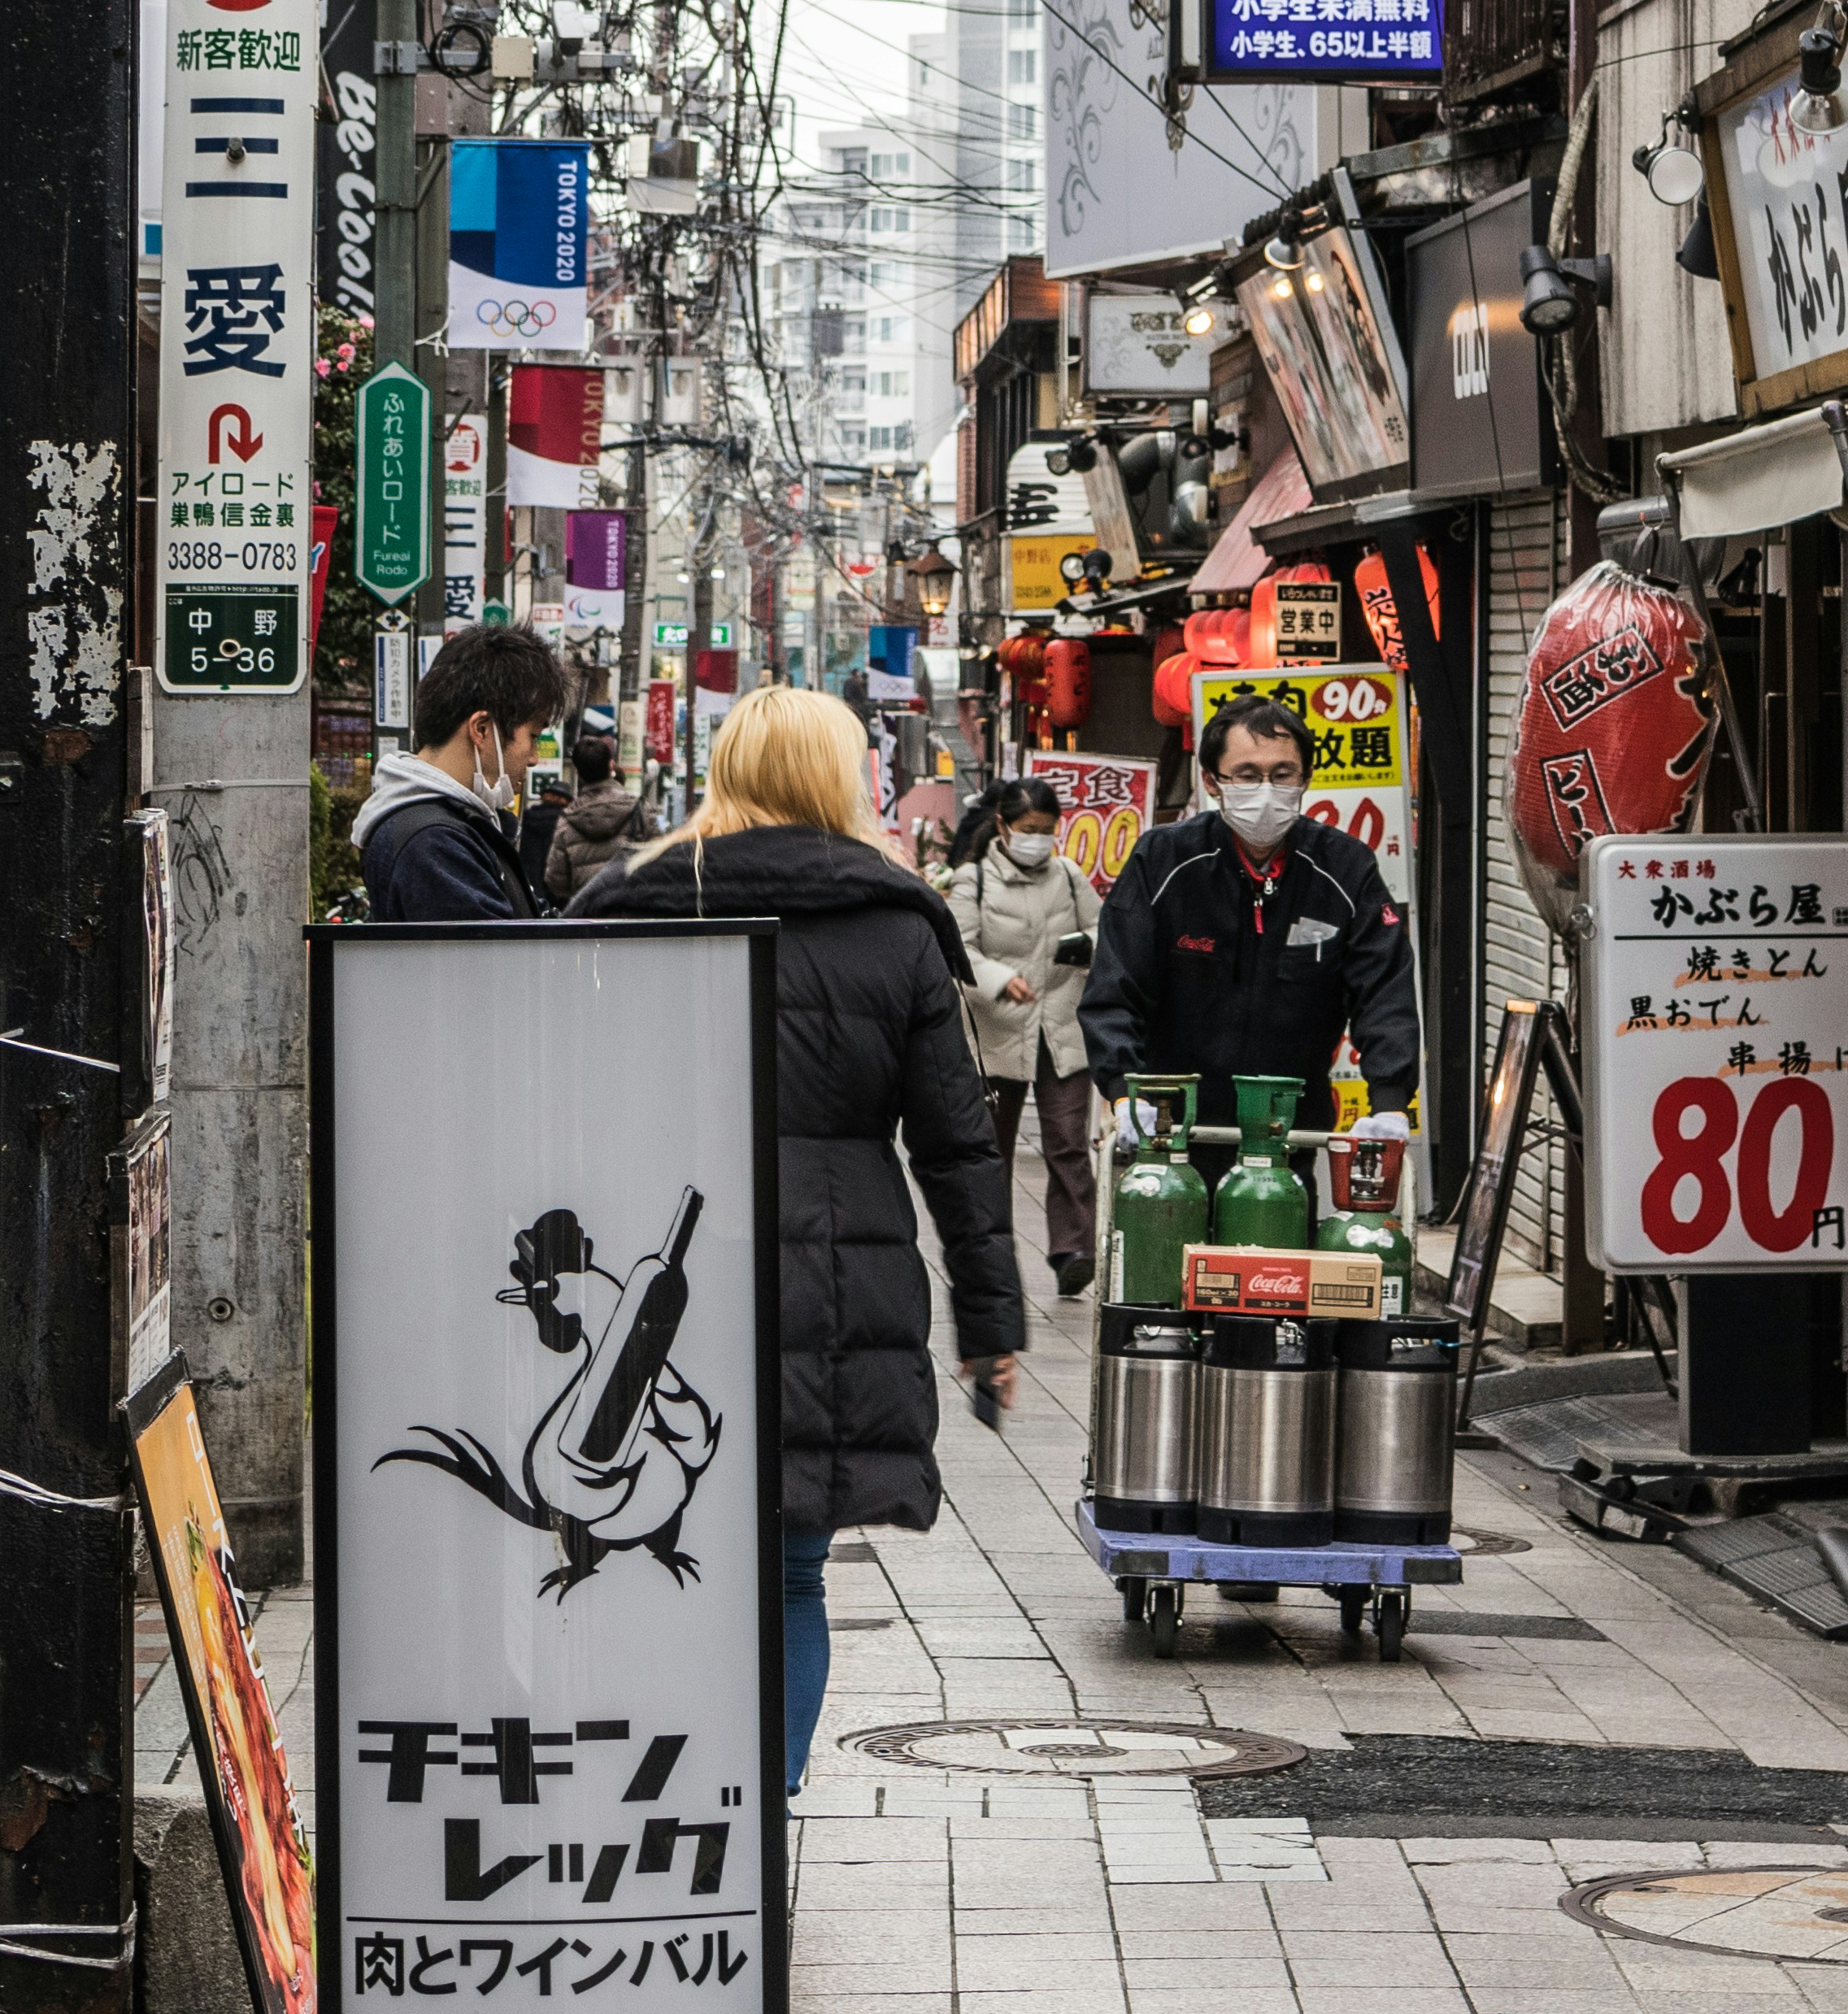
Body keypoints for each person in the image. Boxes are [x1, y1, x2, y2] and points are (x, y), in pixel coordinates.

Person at [565, 685, 1023, 1791]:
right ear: (837, 780)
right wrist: (990, 1324)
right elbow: (958, 1148)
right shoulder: (899, 924)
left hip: (661, 1282)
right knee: (792, 1570)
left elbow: (552, 1095)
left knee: (654, 1554)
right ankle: (762, 1804)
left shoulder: (626, 905)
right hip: (832, 1282)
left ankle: (669, 1800)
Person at [1081, 689, 1421, 1142]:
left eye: (1283, 774)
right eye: (1246, 775)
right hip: (1169, 1129)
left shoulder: (1345, 868)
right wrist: (1125, 1095)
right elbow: (1114, 988)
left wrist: (1391, 1104)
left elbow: (1384, 991)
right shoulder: (1163, 862)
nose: (1266, 791)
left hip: (1290, 1130)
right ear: (1211, 780)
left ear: (1306, 778)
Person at [940, 777, 1108, 1297]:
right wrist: (997, 979)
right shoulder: (974, 881)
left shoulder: (1068, 875)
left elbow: (1106, 930)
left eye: (1046, 831)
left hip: (1060, 1025)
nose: (1038, 839)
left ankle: (1073, 1251)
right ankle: (991, 1255)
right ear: (1003, 827)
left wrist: (1086, 947)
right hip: (996, 1033)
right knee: (993, 1151)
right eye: (1028, 830)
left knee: (1068, 1144)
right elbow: (958, 949)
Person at [348, 624, 555, 920]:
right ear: (482, 730)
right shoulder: (434, 844)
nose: (534, 759)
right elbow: (495, 962)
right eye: (534, 735)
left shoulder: (447, 828)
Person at [529, 704, 648, 910]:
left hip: (585, 916)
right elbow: (661, 861)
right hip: (631, 914)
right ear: (611, 766)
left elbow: (556, 880)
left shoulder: (567, 819)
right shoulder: (639, 810)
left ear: (578, 773)